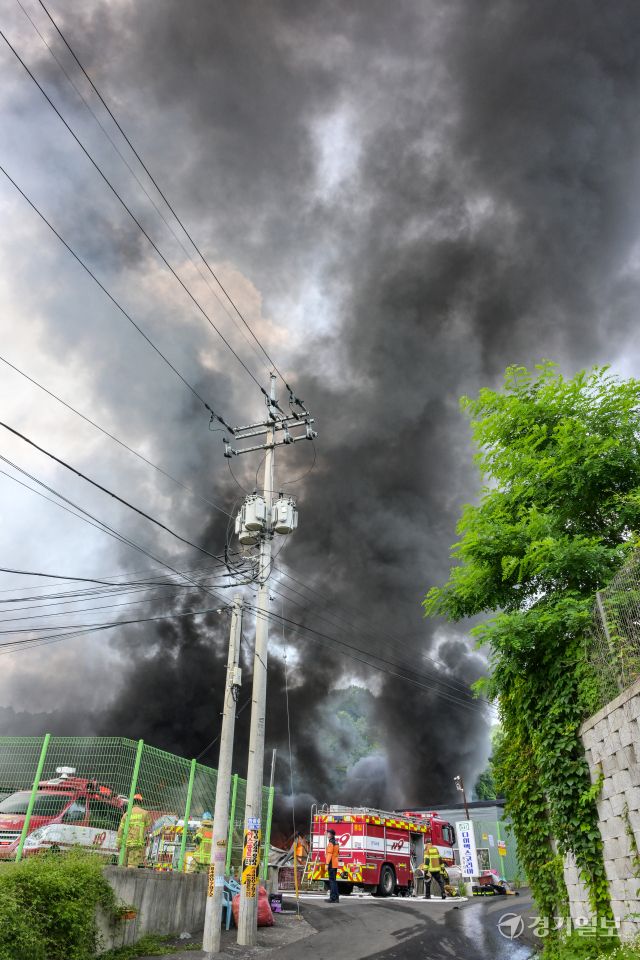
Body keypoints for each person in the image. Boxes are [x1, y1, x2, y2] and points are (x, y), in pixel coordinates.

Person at [117, 793, 152, 868]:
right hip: (137, 844)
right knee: (132, 865)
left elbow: (120, 830)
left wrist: (118, 845)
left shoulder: (126, 814)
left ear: (132, 802)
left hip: (125, 843)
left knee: (122, 865)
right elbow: (149, 829)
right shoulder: (145, 813)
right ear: (141, 802)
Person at [325, 828, 340, 903]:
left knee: (332, 881)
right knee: (334, 881)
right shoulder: (336, 842)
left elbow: (329, 854)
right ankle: (336, 898)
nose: (327, 834)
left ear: (331, 834)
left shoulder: (331, 843)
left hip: (331, 864)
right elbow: (337, 853)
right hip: (335, 863)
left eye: (328, 833)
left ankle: (332, 898)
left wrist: (327, 864)